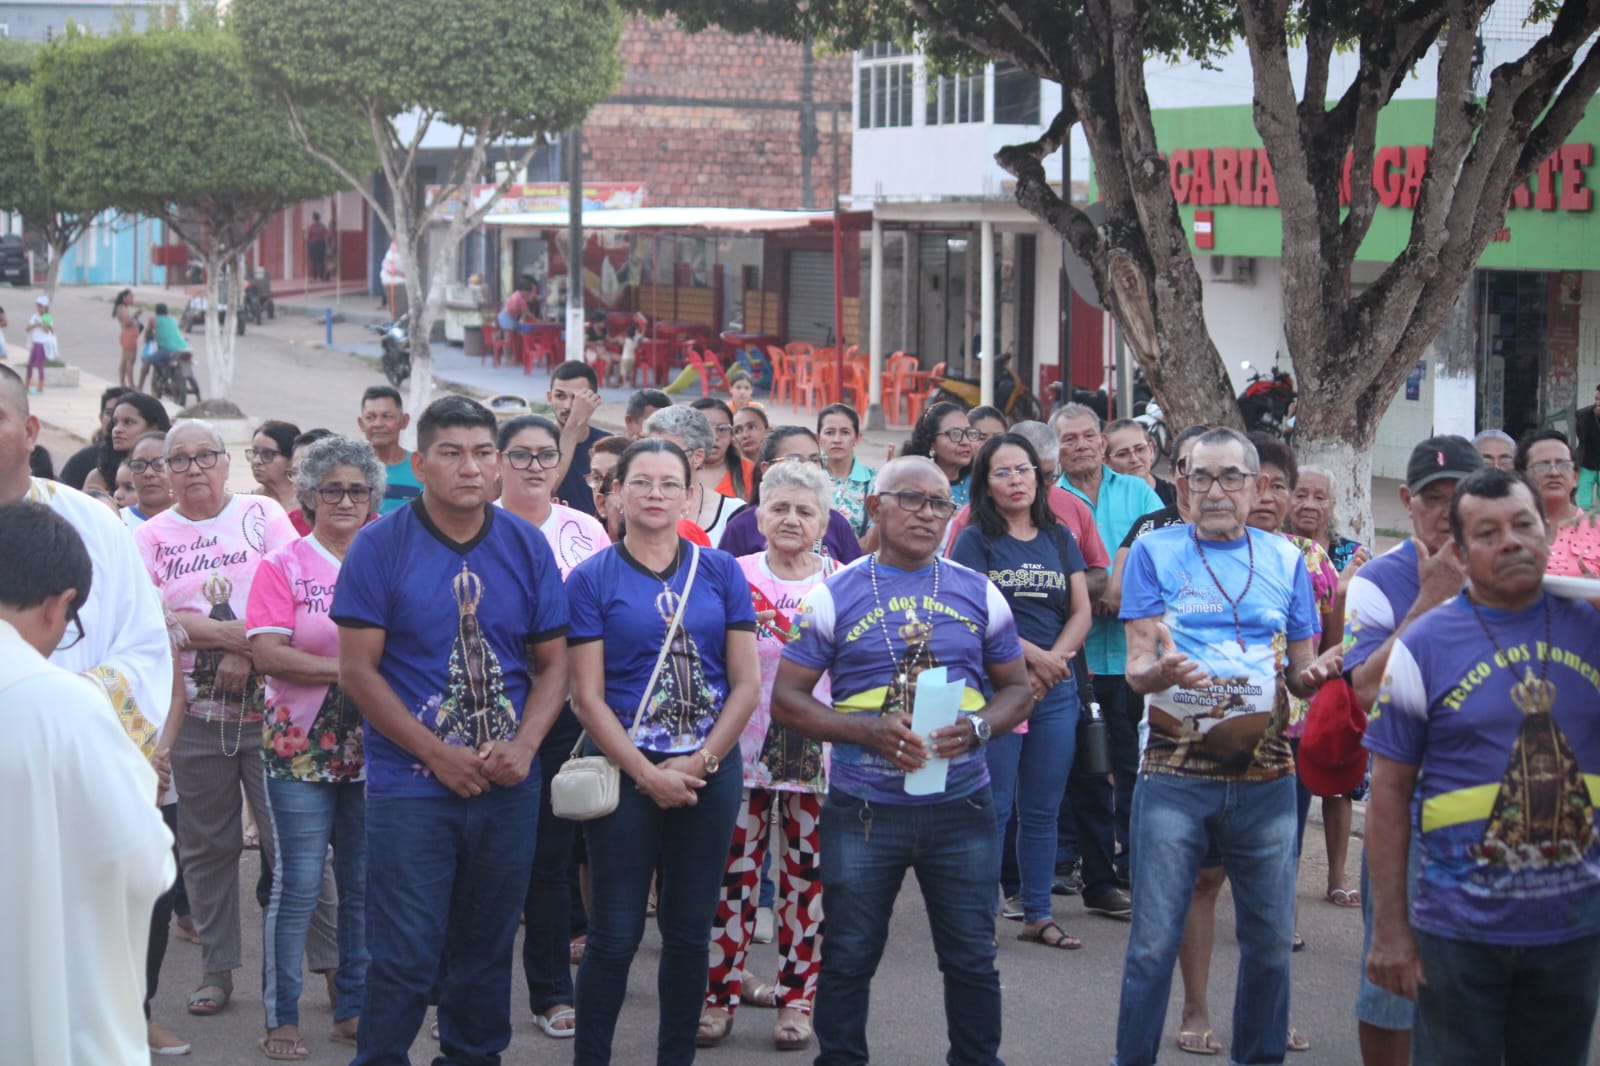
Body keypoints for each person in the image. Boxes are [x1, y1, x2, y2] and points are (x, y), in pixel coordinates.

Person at [770, 455, 1031, 1066]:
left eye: (940, 503)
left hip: (963, 806)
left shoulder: (978, 591)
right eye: (911, 499)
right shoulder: (833, 594)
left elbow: (1017, 690)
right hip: (864, 810)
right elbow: (786, 700)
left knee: (971, 957)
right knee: (849, 955)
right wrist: (867, 731)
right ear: (874, 507)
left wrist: (977, 728)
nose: (927, 514)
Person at [331, 395, 569, 1064]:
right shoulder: (380, 545)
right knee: (404, 953)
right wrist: (437, 755)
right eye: (451, 453)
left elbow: (555, 667)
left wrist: (525, 746)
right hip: (411, 788)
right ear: (419, 464)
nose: (470, 468)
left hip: (506, 785)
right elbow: (357, 671)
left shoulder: (526, 545)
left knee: (485, 953)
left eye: (483, 453)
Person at [1114, 427, 1335, 1066]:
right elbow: (1136, 665)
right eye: (1201, 477)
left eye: (1230, 477)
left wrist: (1318, 675)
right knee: (1152, 944)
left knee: (1268, 944)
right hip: (1173, 773)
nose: (1215, 491)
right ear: (1182, 484)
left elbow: (1300, 669)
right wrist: (1160, 672)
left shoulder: (1287, 560)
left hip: (1267, 778)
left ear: (1256, 485)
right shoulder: (1155, 551)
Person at [1365, 468, 1600, 1066]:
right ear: (1461, 554)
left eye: (1524, 525)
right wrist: (1390, 930)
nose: (1512, 542)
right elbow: (1388, 793)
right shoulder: (1424, 645)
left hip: (1573, 930)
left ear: (1548, 531)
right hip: (1458, 932)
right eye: (1488, 533)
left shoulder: (1593, 628)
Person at [0, 366, 184, 1054]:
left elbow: (144, 646)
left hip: (76, 771)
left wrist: (67, 720)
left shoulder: (92, 527)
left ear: (31, 429)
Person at [132, 420, 339, 1019]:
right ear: (166, 472)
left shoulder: (260, 515)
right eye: (179, 460)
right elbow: (153, 618)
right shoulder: (148, 537)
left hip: (279, 713)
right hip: (196, 715)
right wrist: (238, 638)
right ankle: (217, 968)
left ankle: (335, 970)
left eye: (206, 456)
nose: (194, 469)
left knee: (298, 847)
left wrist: (242, 650)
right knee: (207, 846)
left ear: (227, 464)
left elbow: (294, 589)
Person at [565, 439, 759, 1065]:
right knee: (614, 933)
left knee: (688, 933)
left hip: (708, 771)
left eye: (668, 483)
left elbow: (746, 684)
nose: (654, 494)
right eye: (640, 482)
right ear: (615, 493)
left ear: (688, 495)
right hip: (625, 771)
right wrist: (646, 774)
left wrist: (701, 763)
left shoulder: (721, 571)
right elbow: (586, 697)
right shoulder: (591, 578)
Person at [1343, 433, 1481, 1066]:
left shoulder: (1512, 569)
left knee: (1485, 981)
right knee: (1393, 977)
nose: (1448, 513)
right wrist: (1431, 600)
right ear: (1407, 501)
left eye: (1462, 497)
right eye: (1434, 498)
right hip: (1411, 805)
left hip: (1499, 804)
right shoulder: (1379, 580)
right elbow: (1369, 691)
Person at [247, 436, 383, 1058]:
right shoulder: (283, 564)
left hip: (376, 747)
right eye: (333, 490)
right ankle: (281, 1016)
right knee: (299, 883)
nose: (346, 501)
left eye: (357, 490)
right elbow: (268, 654)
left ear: (373, 497)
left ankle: (352, 1008)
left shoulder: (386, 560)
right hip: (298, 748)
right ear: (309, 495)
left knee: (361, 883)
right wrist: (354, 673)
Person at [702, 461, 836, 1052]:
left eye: (805, 511)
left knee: (805, 882)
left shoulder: (841, 581)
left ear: (824, 523)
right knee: (731, 878)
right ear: (758, 517)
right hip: (737, 748)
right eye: (779, 508)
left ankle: (797, 1000)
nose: (791, 519)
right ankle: (718, 998)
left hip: (816, 754)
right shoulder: (732, 574)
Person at [951, 433, 1091, 951]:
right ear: (985, 483)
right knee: (993, 807)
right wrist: (1034, 660)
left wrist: (1053, 665)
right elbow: (973, 613)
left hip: (1055, 691)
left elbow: (1082, 610)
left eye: (1024, 469)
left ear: (1040, 475)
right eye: (1003, 472)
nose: (1016, 480)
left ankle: (1038, 914)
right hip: (996, 690)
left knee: (1042, 809)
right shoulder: (974, 539)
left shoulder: (1059, 537)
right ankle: (977, 918)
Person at [495, 414, 610, 1041]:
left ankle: (550, 991)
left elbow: (602, 621)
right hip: (486, 710)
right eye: (521, 454)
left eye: (546, 454)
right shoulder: (476, 524)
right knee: (478, 862)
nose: (535, 466)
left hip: (565, 713)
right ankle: (462, 996)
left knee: (549, 860)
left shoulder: (584, 530)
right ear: (498, 461)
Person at [1053, 402, 1160, 911]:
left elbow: (1157, 554)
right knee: (1083, 766)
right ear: (1057, 448)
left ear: (1102, 441)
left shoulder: (1137, 491)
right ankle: (1071, 863)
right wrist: (1091, 596)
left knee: (1134, 764)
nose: (1080, 446)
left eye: (1087, 436)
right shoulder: (1050, 500)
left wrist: (1118, 595)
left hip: (1136, 656)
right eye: (1068, 439)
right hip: (1079, 656)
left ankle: (1132, 862)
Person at [945, 419, 1110, 602]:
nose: (1018, 481)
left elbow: (1099, 575)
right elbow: (958, 589)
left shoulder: (1070, 515)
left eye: (1049, 475)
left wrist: (1056, 589)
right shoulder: (970, 525)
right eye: (1004, 473)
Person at [717, 426, 865, 563]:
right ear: (766, 469)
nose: (806, 468)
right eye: (794, 460)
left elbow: (855, 578)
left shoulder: (835, 522)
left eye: (814, 460)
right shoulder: (741, 527)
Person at [645, 404, 746, 547]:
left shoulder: (733, 513)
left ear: (697, 457)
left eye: (669, 452)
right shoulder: (636, 503)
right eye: (648, 450)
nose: (655, 460)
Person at [1516, 429, 1597, 577]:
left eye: (1563, 465)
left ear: (1575, 477)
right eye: (1542, 466)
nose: (1554, 473)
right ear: (1522, 478)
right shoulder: (1508, 530)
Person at [547, 360, 610, 517]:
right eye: (560, 396)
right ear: (549, 397)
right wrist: (573, 426)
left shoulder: (606, 445)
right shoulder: (537, 441)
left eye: (577, 398)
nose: (568, 406)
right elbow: (547, 488)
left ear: (594, 401)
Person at [87, 391, 172, 494]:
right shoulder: (99, 477)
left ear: (153, 429)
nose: (117, 429)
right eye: (115, 422)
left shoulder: (172, 471)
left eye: (128, 422)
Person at [356, 386, 421, 514]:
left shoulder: (421, 467)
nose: (378, 424)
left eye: (387, 416)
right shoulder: (351, 468)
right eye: (370, 417)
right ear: (361, 424)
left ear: (404, 421)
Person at [907, 401, 977, 510]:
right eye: (955, 434)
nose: (966, 442)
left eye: (969, 433)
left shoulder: (979, 483)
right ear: (931, 442)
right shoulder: (913, 485)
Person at [818, 403, 875, 537]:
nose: (837, 440)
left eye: (845, 432)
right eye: (829, 432)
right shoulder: (809, 477)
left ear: (858, 438)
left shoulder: (873, 482)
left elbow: (875, 534)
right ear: (818, 438)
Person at [59, 385, 132, 489]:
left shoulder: (150, 468)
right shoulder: (81, 461)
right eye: (109, 413)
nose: (115, 422)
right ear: (101, 417)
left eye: (127, 420)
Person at [1106, 417, 1177, 508]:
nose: (1134, 459)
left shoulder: (1175, 497)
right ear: (1107, 462)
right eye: (1122, 454)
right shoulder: (1104, 503)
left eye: (1140, 449)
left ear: (1151, 450)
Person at [692, 396, 753, 501]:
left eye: (722, 429)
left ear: (731, 434)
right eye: (705, 429)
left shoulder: (749, 472)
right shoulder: (675, 470)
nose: (714, 437)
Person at [284, 428, 337, 535]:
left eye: (308, 471)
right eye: (295, 472)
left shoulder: (366, 522)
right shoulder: (287, 524)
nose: (299, 481)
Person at [121, 431, 173, 531]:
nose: (148, 473)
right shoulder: (116, 521)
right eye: (139, 465)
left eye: (159, 464)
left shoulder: (198, 521)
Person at [249, 419, 302, 515]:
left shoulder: (311, 504)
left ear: (292, 459)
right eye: (254, 452)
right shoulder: (248, 505)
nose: (256, 461)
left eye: (267, 454)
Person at [137, 303, 191, 393]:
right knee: (187, 369)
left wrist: (147, 338)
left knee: (146, 360)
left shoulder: (153, 319)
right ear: (167, 311)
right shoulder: (173, 319)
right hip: (184, 348)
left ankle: (139, 387)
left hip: (168, 349)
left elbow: (148, 332)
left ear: (156, 311)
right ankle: (195, 389)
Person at [1577, 384, 1600, 511]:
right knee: (1583, 503)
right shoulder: (1584, 415)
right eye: (1596, 399)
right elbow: (1580, 436)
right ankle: (1582, 522)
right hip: (1587, 463)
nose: (1597, 403)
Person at [115, 288, 144, 388]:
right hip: (128, 336)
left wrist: (136, 316)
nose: (132, 298)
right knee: (129, 361)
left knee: (125, 360)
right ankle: (131, 384)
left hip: (131, 335)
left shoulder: (125, 308)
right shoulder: (121, 308)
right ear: (124, 298)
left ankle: (123, 383)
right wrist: (135, 314)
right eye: (130, 296)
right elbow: (126, 322)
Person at [24, 295, 52, 394]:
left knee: (40, 365)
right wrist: (35, 324)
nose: (39, 308)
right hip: (35, 343)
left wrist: (43, 324)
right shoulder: (34, 316)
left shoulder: (47, 317)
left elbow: (49, 331)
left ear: (45, 307)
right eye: (38, 306)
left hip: (42, 344)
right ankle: (26, 385)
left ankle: (40, 387)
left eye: (41, 306)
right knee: (30, 364)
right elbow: (27, 328)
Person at [306, 213, 330, 283]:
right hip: (321, 244)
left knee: (314, 262)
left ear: (313, 218)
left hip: (313, 245)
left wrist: (309, 244)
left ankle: (314, 277)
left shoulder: (310, 226)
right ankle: (321, 277)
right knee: (321, 261)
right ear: (319, 218)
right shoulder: (322, 226)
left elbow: (307, 237)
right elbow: (327, 235)